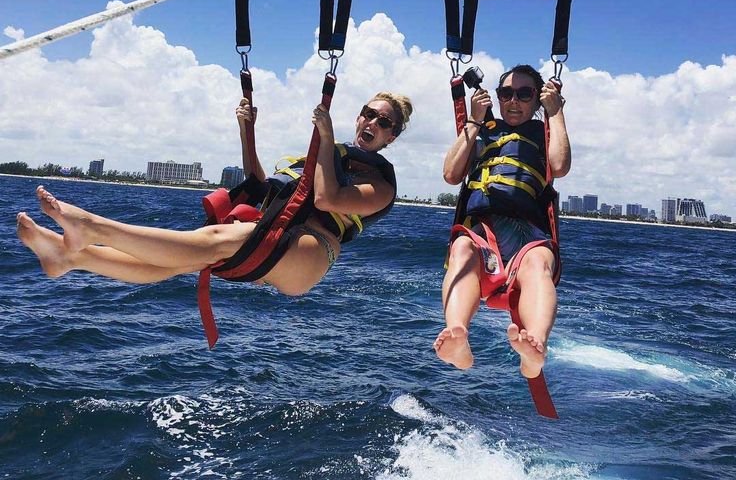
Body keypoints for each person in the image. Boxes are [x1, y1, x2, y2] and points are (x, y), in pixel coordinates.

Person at [16, 92, 413, 303]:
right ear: (359, 116)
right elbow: (261, 185)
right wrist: (247, 130)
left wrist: (325, 139)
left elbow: (326, 200)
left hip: (311, 253)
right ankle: (69, 257)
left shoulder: (381, 185)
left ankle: (91, 227)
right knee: (178, 261)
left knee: (213, 242)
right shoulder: (327, 153)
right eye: (369, 113)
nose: (373, 122)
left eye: (384, 122)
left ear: (391, 137)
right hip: (271, 236)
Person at [433, 64, 570, 380]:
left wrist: (556, 114)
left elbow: (560, 165)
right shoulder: (483, 130)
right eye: (506, 93)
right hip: (485, 231)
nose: (514, 101)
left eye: (524, 94)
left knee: (538, 264)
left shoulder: (542, 131)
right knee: (462, 249)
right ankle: (457, 336)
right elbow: (452, 174)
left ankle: (534, 348)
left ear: (537, 100)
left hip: (529, 233)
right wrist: (473, 120)